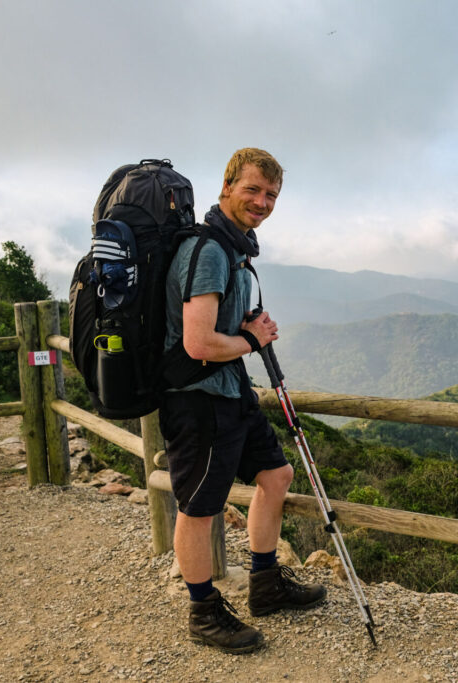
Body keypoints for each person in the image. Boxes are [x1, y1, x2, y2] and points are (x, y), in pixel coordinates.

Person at [159, 147, 325, 654]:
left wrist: (248, 336)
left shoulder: (234, 248)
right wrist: (254, 340)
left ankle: (265, 583)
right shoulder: (209, 251)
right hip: (198, 399)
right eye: (252, 189)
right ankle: (203, 612)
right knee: (200, 508)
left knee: (276, 475)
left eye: (271, 194)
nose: (262, 201)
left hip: (230, 391)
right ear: (226, 186)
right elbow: (198, 343)